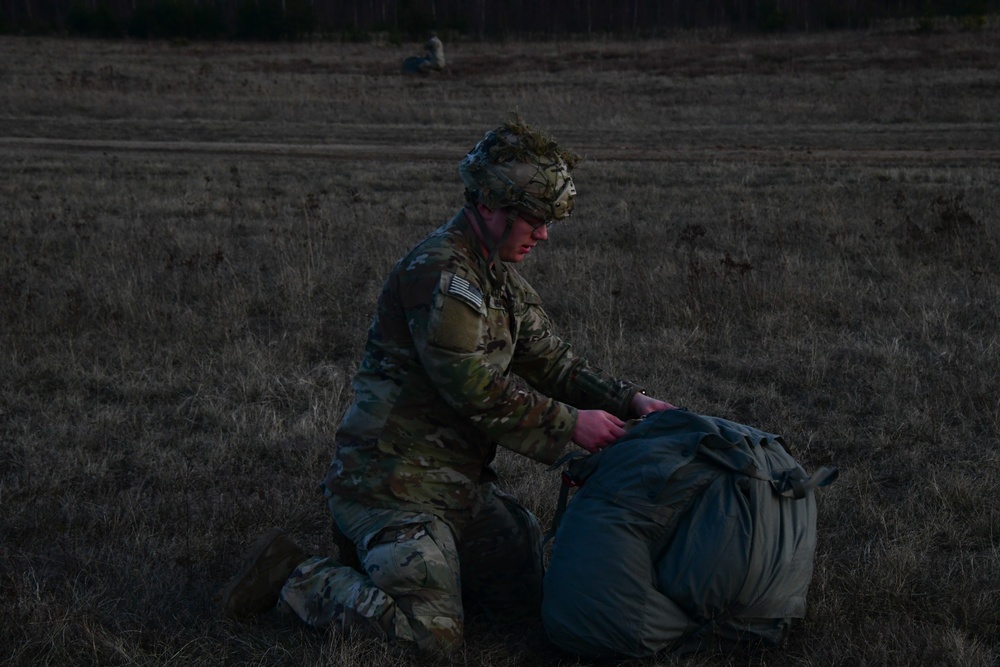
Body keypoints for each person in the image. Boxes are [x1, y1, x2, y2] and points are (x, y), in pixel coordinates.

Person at [219, 118, 677, 654]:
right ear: (488, 206)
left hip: (457, 487)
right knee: (429, 641)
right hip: (391, 487)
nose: (543, 234)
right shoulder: (439, 273)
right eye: (533, 219)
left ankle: (401, 568)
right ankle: (294, 575)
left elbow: (553, 362)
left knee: (527, 605)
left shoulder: (498, 277)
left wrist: (628, 399)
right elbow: (470, 384)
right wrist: (572, 425)